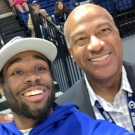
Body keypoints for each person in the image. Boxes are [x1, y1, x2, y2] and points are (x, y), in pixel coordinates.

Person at [1, 37, 135, 135]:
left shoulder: (87, 128)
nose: (32, 77)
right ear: (2, 88)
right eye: (17, 72)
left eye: (40, 68)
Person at [55, 4, 135, 133]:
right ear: (71, 53)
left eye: (103, 31)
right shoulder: (61, 113)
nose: (96, 45)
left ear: (117, 34)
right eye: (81, 39)